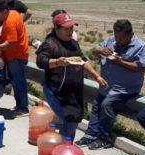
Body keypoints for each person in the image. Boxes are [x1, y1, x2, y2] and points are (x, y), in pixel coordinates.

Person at [75, 19, 145, 149]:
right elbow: (94, 50)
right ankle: (90, 135)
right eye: (116, 36)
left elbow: (143, 67)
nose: (118, 40)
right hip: (107, 86)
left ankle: (104, 138)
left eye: (121, 37)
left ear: (130, 34)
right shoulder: (111, 40)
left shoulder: (141, 47)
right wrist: (101, 51)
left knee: (107, 105)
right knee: (97, 106)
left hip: (125, 90)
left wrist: (121, 62)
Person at [36, 12, 108, 140]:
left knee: (73, 120)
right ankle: (59, 151)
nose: (70, 31)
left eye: (71, 28)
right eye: (66, 28)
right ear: (57, 28)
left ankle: (62, 147)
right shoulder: (50, 44)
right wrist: (58, 62)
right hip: (56, 92)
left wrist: (96, 76)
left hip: (73, 93)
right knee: (70, 120)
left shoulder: (73, 43)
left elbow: (83, 60)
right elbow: (40, 62)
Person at [0, 0, 30, 116]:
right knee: (17, 82)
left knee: (18, 83)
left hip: (16, 56)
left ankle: (23, 108)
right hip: (19, 54)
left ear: (4, 11)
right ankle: (21, 105)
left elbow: (11, 43)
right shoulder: (14, 13)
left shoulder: (10, 22)